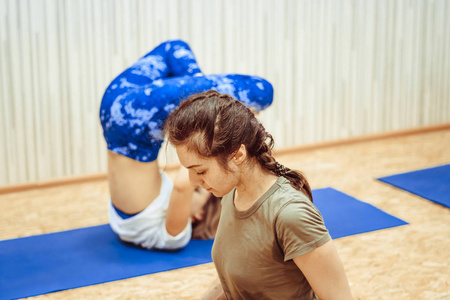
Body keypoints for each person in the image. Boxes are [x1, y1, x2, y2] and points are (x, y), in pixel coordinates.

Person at [164, 90, 353, 299]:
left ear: (238, 155)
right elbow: (235, 275)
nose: (192, 181)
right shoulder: (231, 194)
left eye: (200, 171)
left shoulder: (291, 215)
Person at [99, 40, 273, 250]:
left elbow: (182, 186)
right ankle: (205, 104)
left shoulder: (175, 238)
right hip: (118, 111)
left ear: (198, 216)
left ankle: (207, 104)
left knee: (263, 92)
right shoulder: (140, 219)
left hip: (134, 121)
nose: (196, 180)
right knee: (174, 48)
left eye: (198, 189)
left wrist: (214, 144)